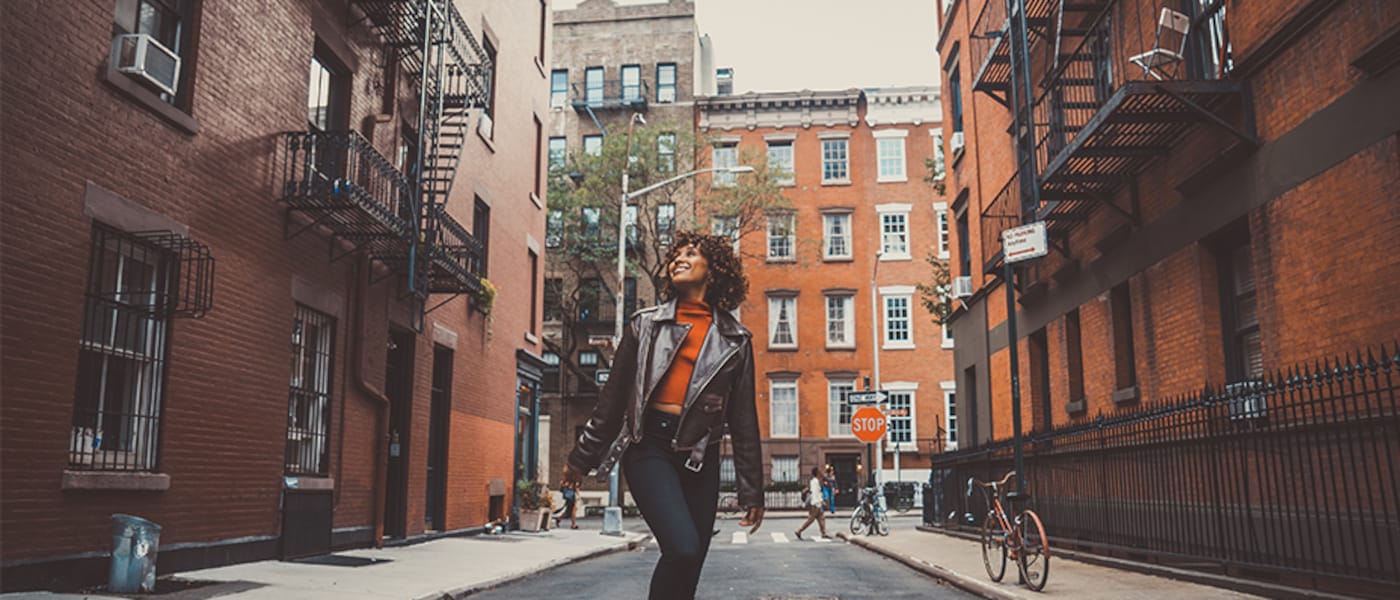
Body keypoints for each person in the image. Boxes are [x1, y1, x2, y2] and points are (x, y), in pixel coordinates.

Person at [563, 231, 765, 600]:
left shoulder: (736, 340)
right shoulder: (644, 325)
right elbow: (611, 402)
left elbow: (743, 421)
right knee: (683, 547)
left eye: (691, 253)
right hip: (649, 449)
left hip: (701, 458)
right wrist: (581, 459)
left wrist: (751, 490)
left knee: (691, 563)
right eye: (676, 254)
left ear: (714, 270)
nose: (678, 259)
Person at [794, 467, 829, 540]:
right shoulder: (815, 482)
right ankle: (799, 531)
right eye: (820, 472)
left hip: (817, 504)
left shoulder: (815, 481)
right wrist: (821, 501)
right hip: (815, 504)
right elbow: (815, 494)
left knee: (821, 518)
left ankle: (824, 533)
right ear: (817, 473)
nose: (821, 473)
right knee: (811, 519)